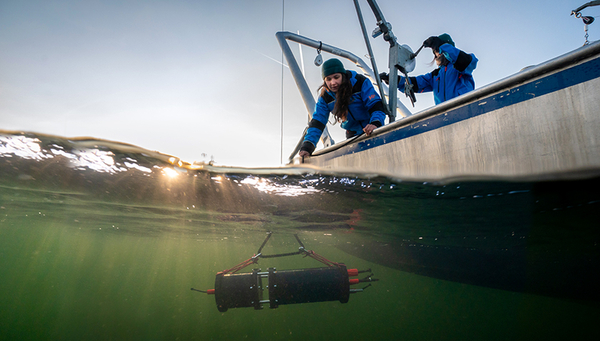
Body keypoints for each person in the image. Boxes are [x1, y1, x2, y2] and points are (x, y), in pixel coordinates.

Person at [298, 58, 386, 157]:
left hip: (372, 128)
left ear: (343, 75)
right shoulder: (325, 97)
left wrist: (375, 123)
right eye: (329, 79)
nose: (333, 82)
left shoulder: (359, 82)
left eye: (336, 77)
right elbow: (318, 121)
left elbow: (375, 104)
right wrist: (308, 146)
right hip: (353, 134)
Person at [380, 33, 478, 105]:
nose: (438, 53)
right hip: (445, 117)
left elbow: (467, 61)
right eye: (436, 50)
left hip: (464, 111)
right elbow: (415, 83)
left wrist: (440, 46)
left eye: (439, 49)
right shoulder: (435, 75)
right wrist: (395, 80)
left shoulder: (461, 66)